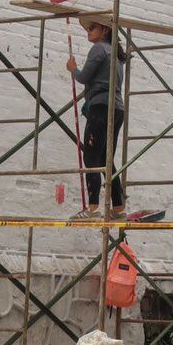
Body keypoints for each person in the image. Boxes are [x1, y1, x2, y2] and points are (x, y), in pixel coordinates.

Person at [67, 17, 127, 219]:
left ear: (105, 31)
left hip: (101, 108)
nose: (89, 30)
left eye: (93, 27)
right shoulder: (116, 55)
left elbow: (84, 77)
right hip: (117, 109)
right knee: (105, 158)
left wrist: (73, 68)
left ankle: (92, 208)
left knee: (91, 157)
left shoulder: (100, 49)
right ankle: (118, 208)